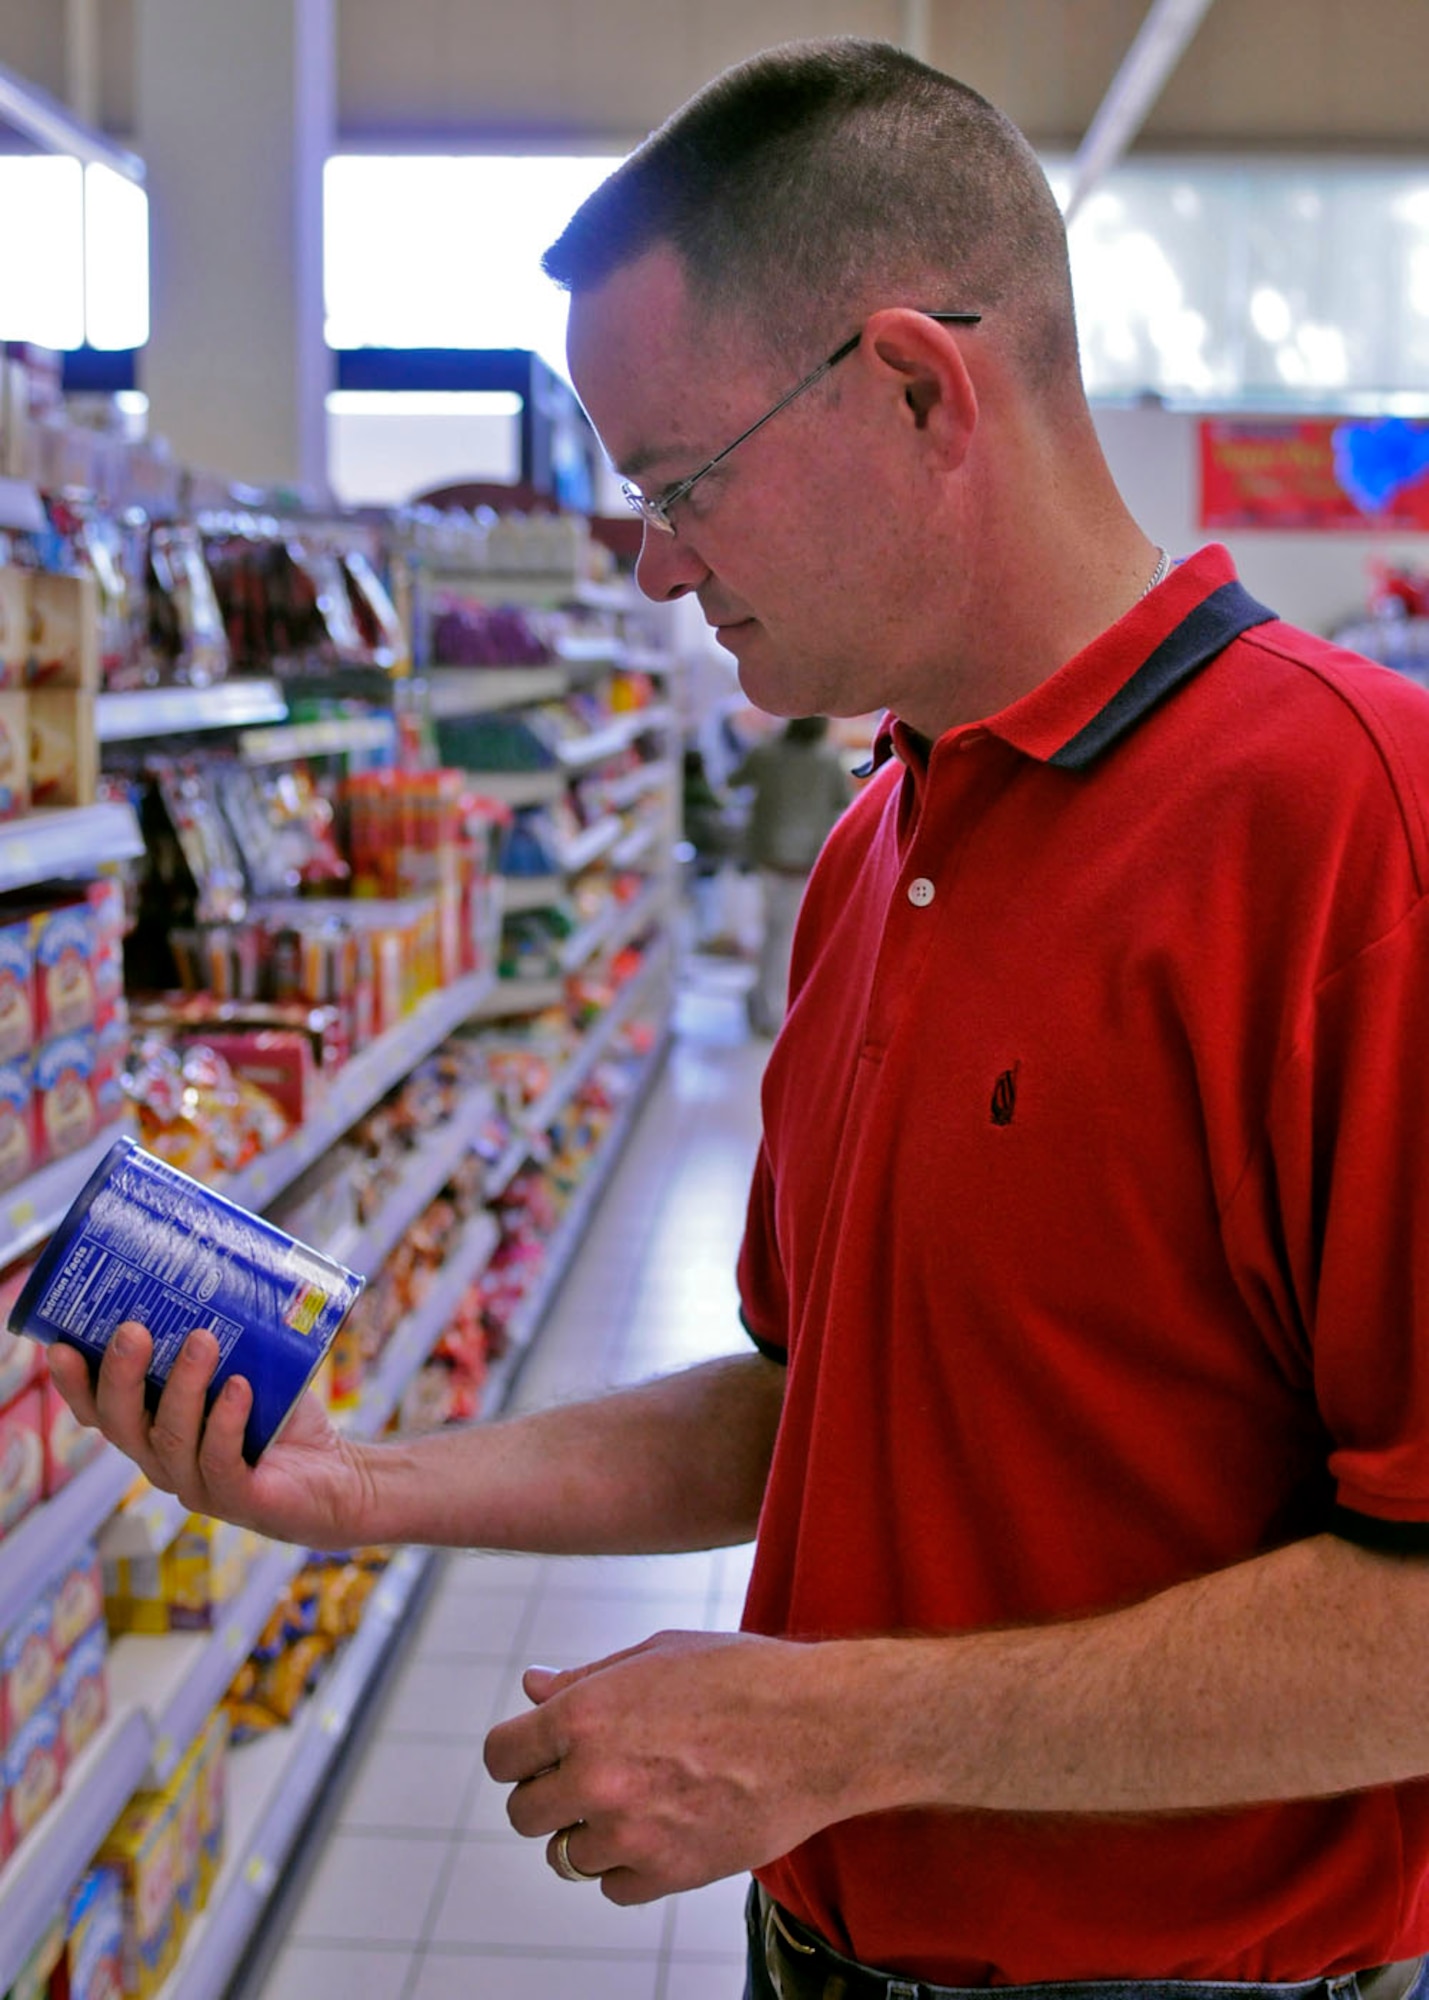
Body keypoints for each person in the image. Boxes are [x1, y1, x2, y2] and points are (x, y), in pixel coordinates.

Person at [49, 36, 1429, 2000]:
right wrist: (357, 1490)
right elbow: (814, 1406)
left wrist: (843, 1727)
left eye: (676, 479)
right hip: (818, 1949)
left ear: (914, 386)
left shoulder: (1358, 828)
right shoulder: (878, 849)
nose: (653, 560)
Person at [728, 714, 851, 1034]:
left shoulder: (765, 751)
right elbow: (845, 802)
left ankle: (764, 1001)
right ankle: (773, 1008)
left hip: (767, 854)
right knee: (785, 934)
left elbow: (733, 782)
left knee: (772, 929)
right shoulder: (828, 758)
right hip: (805, 860)